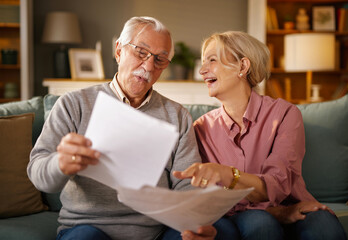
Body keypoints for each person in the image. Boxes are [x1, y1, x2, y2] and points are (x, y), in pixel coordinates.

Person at [27, 16, 213, 240]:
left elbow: (186, 185)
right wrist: (60, 163)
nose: (148, 66)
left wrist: (194, 222)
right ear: (118, 51)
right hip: (87, 228)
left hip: (155, 232)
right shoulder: (73, 104)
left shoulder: (177, 116)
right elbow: (38, 174)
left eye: (160, 60)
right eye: (140, 52)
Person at [170, 31, 347, 240]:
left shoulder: (284, 114)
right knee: (259, 223)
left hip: (292, 206)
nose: (202, 70)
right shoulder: (200, 128)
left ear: (243, 67)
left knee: (323, 225)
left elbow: (278, 185)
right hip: (236, 216)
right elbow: (205, 199)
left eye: (212, 60)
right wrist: (273, 212)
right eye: (202, 62)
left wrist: (228, 175)